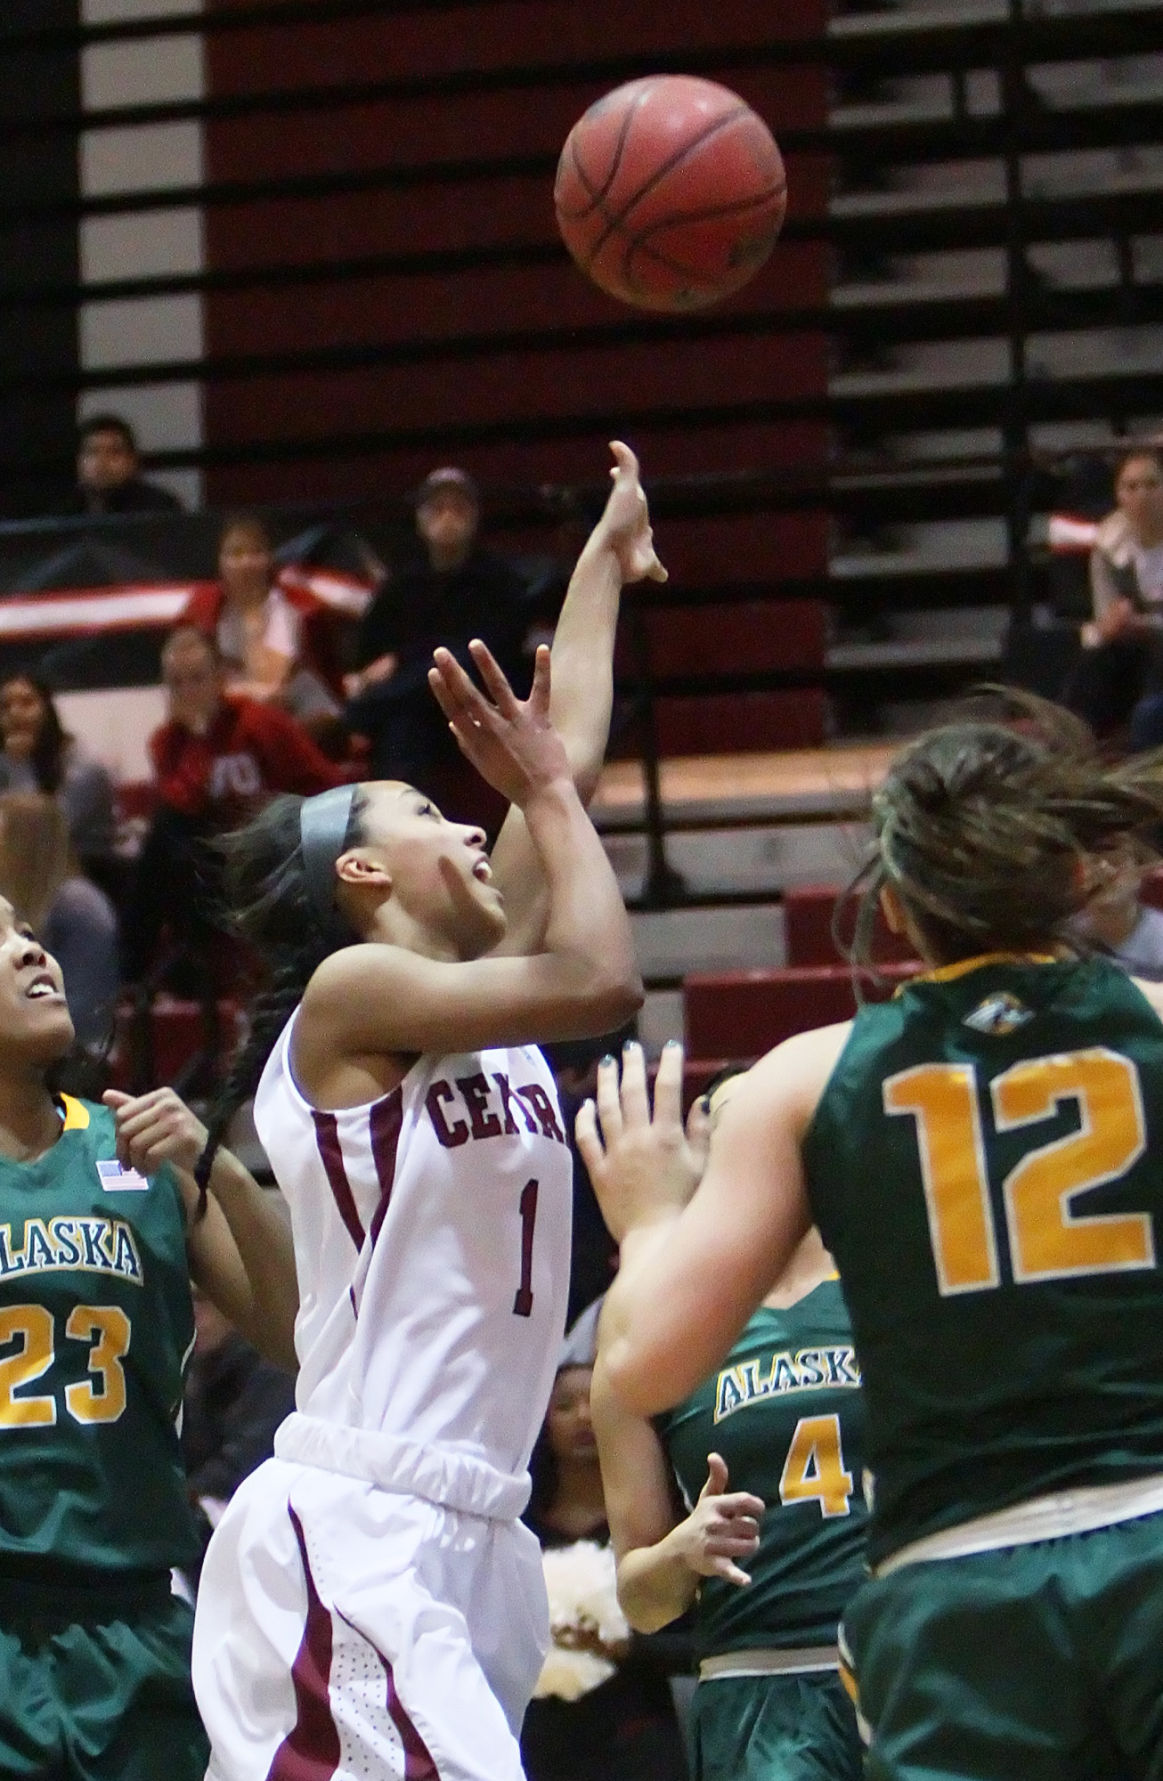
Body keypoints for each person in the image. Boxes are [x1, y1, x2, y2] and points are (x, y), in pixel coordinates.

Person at [187, 442, 663, 1781]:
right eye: (418, 805)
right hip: (361, 1519)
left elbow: (555, 748)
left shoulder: (466, 987)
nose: (463, 821)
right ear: (355, 869)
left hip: (483, 1534)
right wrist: (550, 797)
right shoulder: (352, 996)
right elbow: (602, 976)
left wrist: (600, 558)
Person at [581, 697, 1163, 1781]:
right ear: (1073, 878)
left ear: (892, 908)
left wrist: (651, 1212)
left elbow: (645, 1362)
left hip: (963, 1581)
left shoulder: (808, 1075)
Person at [0, 889, 296, 1781]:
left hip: (134, 1615)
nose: (28, 951)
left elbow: (299, 1339)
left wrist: (227, 1174)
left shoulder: (137, 1150)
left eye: (25, 930)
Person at [592, 1068, 866, 1781]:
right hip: (757, 1683)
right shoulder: (655, 1323)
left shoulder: (883, 1275)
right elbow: (641, 1602)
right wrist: (680, 1552)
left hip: (904, 1655)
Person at [124, 626, 344, 984]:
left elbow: (323, 783)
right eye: (176, 683)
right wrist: (198, 741)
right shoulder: (167, 743)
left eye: (197, 679)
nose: (187, 692)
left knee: (167, 839)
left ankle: (161, 974)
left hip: (280, 846)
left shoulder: (260, 723)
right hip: (216, 859)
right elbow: (184, 806)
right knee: (163, 842)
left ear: (220, 679)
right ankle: (142, 981)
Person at [521, 1357, 690, 1781]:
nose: (583, 1417)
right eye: (564, 1406)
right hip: (539, 1745)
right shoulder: (518, 1531)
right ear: (541, 1422)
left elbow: (699, 1645)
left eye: (594, 1402)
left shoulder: (660, 1528)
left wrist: (625, 1647)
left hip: (639, 1743)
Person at [344, 465, 532, 810]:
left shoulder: (499, 582)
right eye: (437, 508)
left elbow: (488, 652)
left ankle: (359, 713)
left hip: (480, 706)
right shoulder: (402, 584)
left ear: (474, 518)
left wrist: (400, 661)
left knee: (454, 663)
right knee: (402, 729)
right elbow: (370, 652)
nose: (447, 517)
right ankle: (402, 832)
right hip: (416, 712)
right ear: (419, 518)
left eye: (458, 508)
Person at [181, 512, 343, 730]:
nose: (246, 563)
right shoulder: (201, 611)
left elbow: (277, 681)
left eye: (256, 552)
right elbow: (189, 682)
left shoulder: (299, 609)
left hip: (292, 710)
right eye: (236, 554)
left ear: (270, 558)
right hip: (225, 711)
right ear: (220, 562)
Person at [0, 792, 119, 1049]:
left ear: (23, 844)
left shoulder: (79, 905)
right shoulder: (14, 905)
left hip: (77, 1052)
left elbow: (88, 1006)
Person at [1064, 444, 1163, 741]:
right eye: (1131, 487)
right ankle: (1075, 747)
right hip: (1135, 644)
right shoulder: (1109, 542)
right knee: (1093, 665)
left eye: (1152, 485)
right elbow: (1105, 614)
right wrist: (1107, 629)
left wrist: (1144, 626)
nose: (1142, 495)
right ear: (1119, 495)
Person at [0, 674, 117, 885]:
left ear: (48, 710)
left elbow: (37, 831)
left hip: (81, 884)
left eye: (27, 702)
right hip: (26, 883)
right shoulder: (6, 763)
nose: (14, 713)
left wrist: (18, 764)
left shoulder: (85, 769)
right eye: (5, 706)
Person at [67, 413, 183, 516]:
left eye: (114, 452)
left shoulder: (160, 507)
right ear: (79, 461)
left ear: (131, 461)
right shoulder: (64, 510)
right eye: (92, 452)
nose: (102, 461)